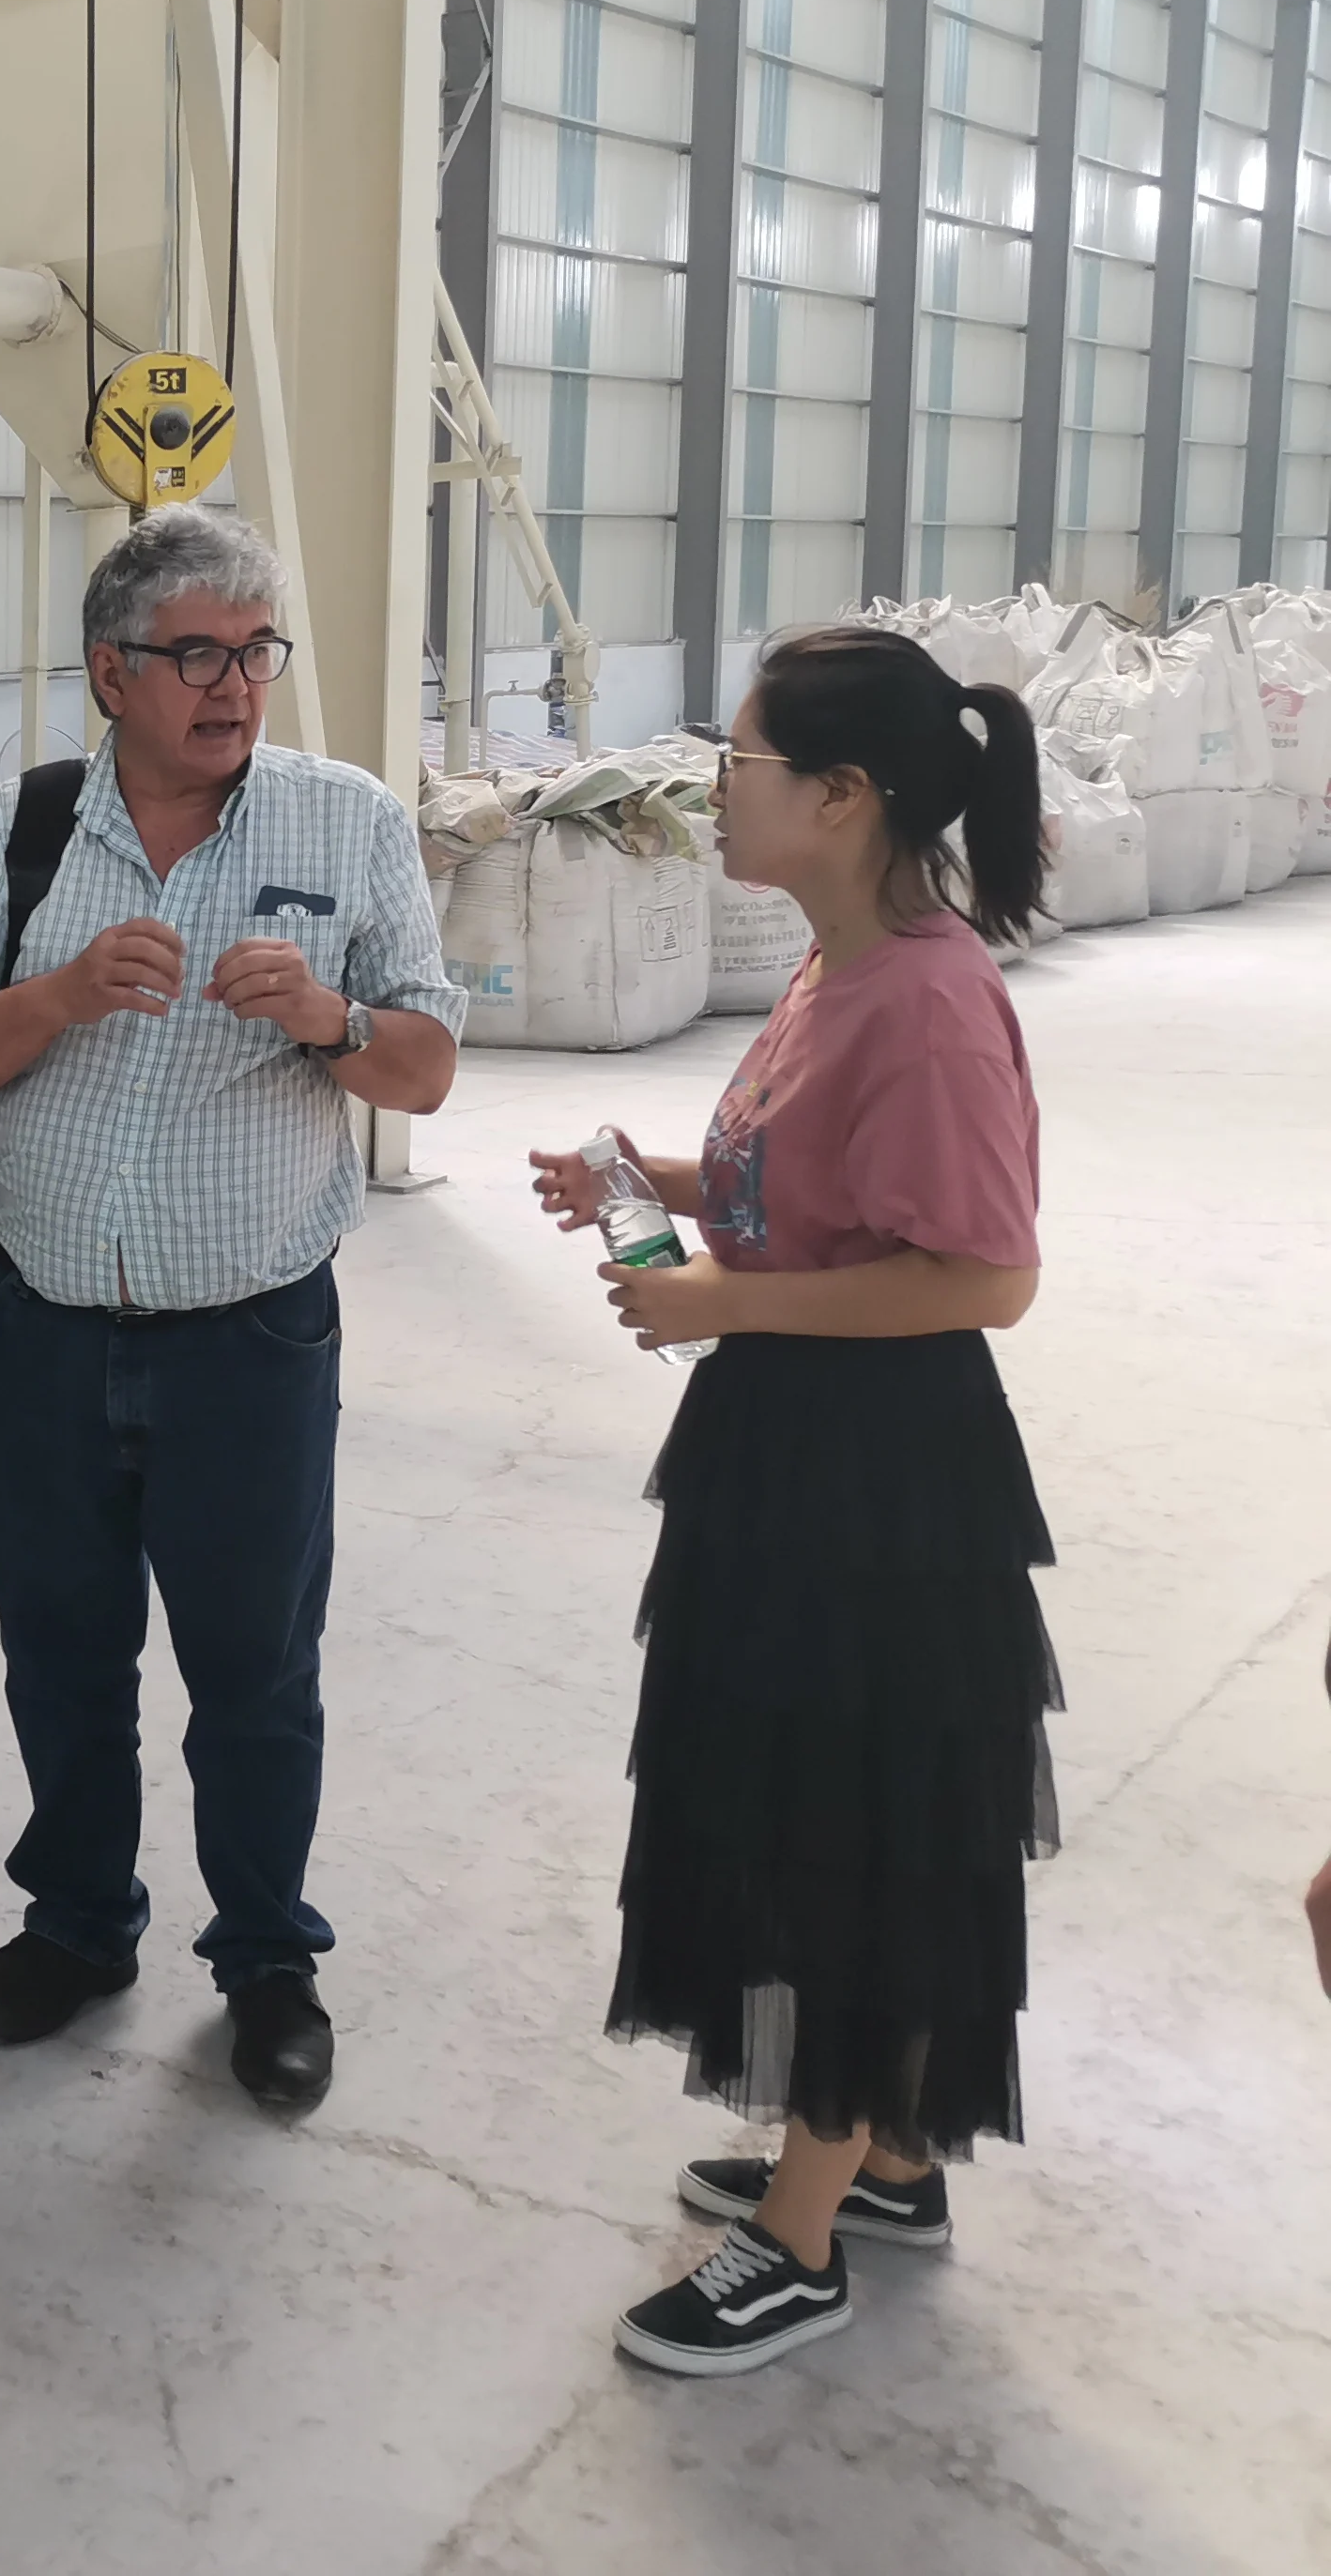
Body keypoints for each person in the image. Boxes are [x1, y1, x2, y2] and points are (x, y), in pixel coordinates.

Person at [0, 504, 462, 2111]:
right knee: (62, 1659)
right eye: (195, 654)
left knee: (255, 1675)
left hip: (249, 1345)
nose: (233, 685)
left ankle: (269, 1960)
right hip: (45, 1334)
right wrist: (62, 994)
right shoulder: (28, 830)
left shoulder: (347, 822)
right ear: (110, 672)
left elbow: (428, 1067)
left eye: (256, 652)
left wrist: (334, 1020)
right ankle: (77, 1928)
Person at [529, 623, 1056, 2377]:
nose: (715, 786)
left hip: (878, 1483)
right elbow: (812, 1187)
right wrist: (657, 1186)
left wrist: (728, 1304)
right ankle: (884, 2156)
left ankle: (802, 2240)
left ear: (841, 795)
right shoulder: (844, 967)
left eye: (739, 761)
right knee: (803, 1797)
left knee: (852, 1828)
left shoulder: (929, 1003)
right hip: (791, 1448)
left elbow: (982, 1276)